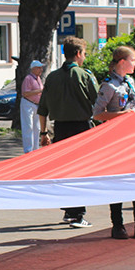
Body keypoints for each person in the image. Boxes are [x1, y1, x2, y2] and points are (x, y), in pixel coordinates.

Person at [38, 36, 99, 228]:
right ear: (79, 54)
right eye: (84, 54)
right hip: (81, 129)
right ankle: (78, 214)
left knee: (65, 170)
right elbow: (97, 103)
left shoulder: (52, 77)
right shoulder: (85, 75)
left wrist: (43, 133)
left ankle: (69, 210)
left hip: (61, 129)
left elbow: (42, 109)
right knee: (81, 171)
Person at [92, 45, 135, 240]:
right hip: (115, 142)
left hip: (134, 139)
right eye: (133, 60)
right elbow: (97, 114)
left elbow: (133, 106)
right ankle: (118, 224)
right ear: (122, 61)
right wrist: (121, 115)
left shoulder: (130, 82)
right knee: (118, 182)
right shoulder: (108, 85)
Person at [20, 60, 44, 153]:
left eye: (41, 68)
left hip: (36, 105)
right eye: (38, 68)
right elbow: (25, 93)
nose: (41, 70)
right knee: (28, 127)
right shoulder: (28, 78)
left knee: (36, 127)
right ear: (33, 69)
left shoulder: (38, 79)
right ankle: (28, 150)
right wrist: (39, 91)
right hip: (28, 103)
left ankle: (35, 148)